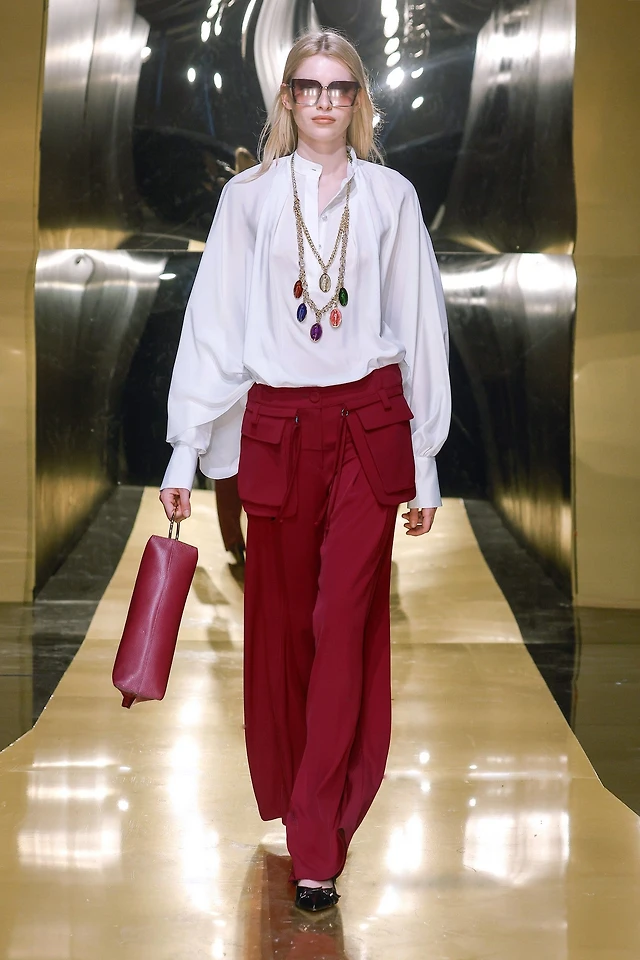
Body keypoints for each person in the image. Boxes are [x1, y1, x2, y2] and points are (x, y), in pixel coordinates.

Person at [160, 30, 451, 913]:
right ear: (287, 99)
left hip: (370, 423)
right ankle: (301, 798)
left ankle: (317, 839)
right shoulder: (248, 198)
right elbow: (214, 324)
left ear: (359, 101)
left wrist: (426, 464)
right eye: (309, 86)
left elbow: (419, 324)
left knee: (342, 617)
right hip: (279, 425)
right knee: (286, 627)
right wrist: (185, 447)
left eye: (340, 87)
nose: (325, 101)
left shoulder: (391, 196)